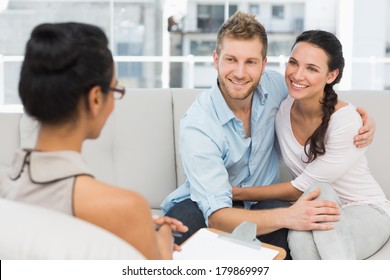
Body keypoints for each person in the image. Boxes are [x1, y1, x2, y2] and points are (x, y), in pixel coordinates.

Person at [161, 11, 375, 258]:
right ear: (216, 59)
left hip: (265, 204)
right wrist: (289, 215)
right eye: (231, 60)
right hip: (206, 205)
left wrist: (359, 119)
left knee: (287, 244)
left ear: (264, 65)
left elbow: (316, 90)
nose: (240, 73)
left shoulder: (276, 87)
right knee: (177, 234)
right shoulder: (198, 124)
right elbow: (217, 215)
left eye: (250, 62)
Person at [0, 22, 187, 260]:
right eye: (115, 90)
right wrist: (163, 241)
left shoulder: (6, 188)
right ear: (96, 98)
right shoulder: (125, 208)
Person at [232, 30, 390, 259]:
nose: (297, 74)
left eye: (312, 68)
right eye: (293, 63)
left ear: (331, 75)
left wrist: (236, 194)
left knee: (319, 192)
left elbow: (299, 188)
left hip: (367, 211)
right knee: (298, 235)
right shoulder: (282, 107)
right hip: (315, 210)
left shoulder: (346, 122)